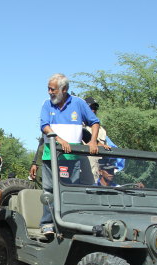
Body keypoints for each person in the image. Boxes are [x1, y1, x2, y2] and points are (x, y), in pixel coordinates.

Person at [39, 73, 101, 236]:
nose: (49, 92)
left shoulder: (78, 103)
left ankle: (67, 223)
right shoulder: (47, 105)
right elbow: (45, 126)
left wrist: (93, 141)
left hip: (72, 157)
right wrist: (60, 140)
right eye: (48, 89)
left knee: (70, 189)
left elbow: (94, 122)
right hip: (51, 155)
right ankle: (47, 223)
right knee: (50, 189)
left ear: (64, 89)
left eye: (52, 89)